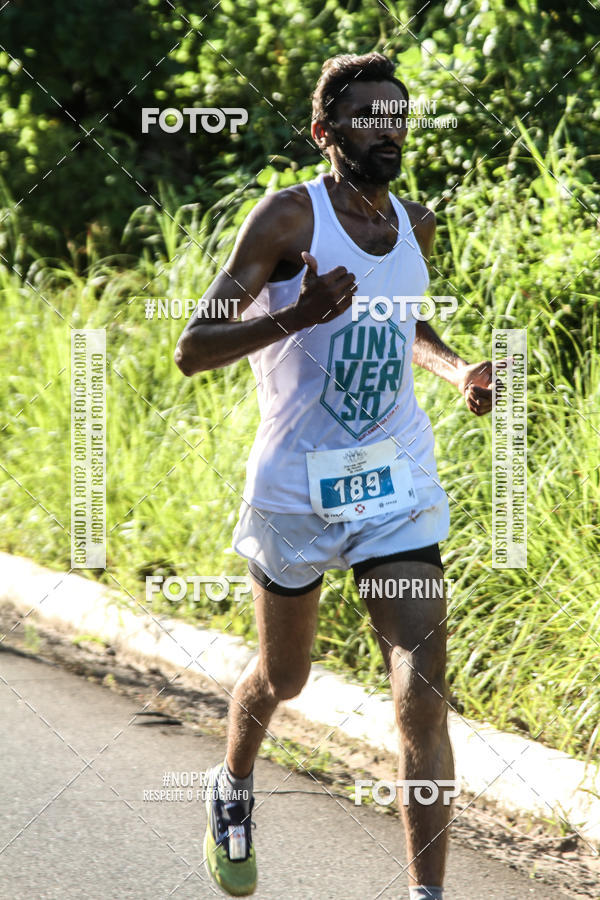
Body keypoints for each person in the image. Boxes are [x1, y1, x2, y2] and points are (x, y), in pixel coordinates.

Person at [175, 51, 494, 899]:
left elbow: (404, 325)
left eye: (397, 116)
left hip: (394, 481)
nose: (387, 130)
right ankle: (232, 786)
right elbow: (192, 349)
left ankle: (426, 894)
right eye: (366, 118)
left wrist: (457, 369)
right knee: (286, 678)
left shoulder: (416, 223)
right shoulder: (286, 219)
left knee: (422, 694)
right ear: (325, 133)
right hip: (295, 486)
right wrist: (300, 315)